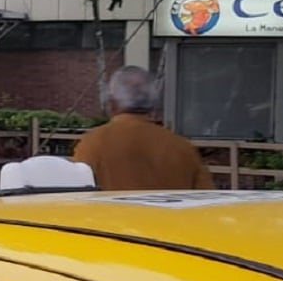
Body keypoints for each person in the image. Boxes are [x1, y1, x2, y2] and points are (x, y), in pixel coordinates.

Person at [72, 66, 213, 191]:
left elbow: (77, 195)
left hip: (111, 220)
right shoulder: (182, 147)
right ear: (153, 104)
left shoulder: (92, 143)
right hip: (168, 221)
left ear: (112, 103)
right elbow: (206, 198)